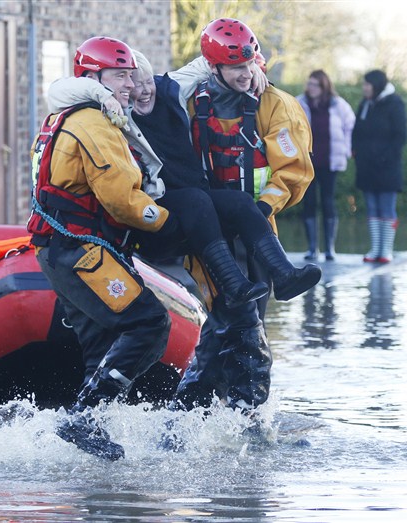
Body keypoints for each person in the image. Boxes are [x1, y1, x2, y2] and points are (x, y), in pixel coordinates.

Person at [47, 20, 318, 426]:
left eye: (141, 80)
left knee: (237, 323)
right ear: (216, 69)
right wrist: (99, 91)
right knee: (231, 322)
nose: (139, 89)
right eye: (127, 82)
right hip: (194, 227)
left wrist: (264, 208)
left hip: (251, 227)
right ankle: (224, 421)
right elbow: (63, 92)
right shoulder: (127, 110)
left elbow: (293, 172)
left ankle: (208, 417)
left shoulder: (257, 99)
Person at [27, 36, 175, 461]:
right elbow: (121, 200)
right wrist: (166, 221)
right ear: (92, 78)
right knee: (149, 324)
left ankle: (88, 440)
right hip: (84, 253)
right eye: (119, 75)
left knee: (100, 344)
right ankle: (83, 418)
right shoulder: (93, 121)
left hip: (63, 251)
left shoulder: (64, 115)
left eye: (130, 75)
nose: (128, 84)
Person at [296, 70, 355, 261]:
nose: (310, 87)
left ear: (324, 86)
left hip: (330, 161)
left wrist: (346, 150)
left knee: (328, 202)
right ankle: (312, 248)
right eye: (309, 83)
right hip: (307, 161)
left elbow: (350, 127)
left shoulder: (338, 105)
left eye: (315, 84)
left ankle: (330, 248)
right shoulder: (299, 103)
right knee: (309, 202)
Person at [352, 69, 407, 263]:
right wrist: (356, 152)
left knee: (387, 208)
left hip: (387, 167)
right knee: (372, 207)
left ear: (376, 85)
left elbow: (400, 135)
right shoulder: (365, 104)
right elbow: (357, 131)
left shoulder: (395, 104)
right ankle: (375, 249)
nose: (364, 88)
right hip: (367, 166)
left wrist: (385, 157)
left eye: (367, 84)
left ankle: (386, 250)